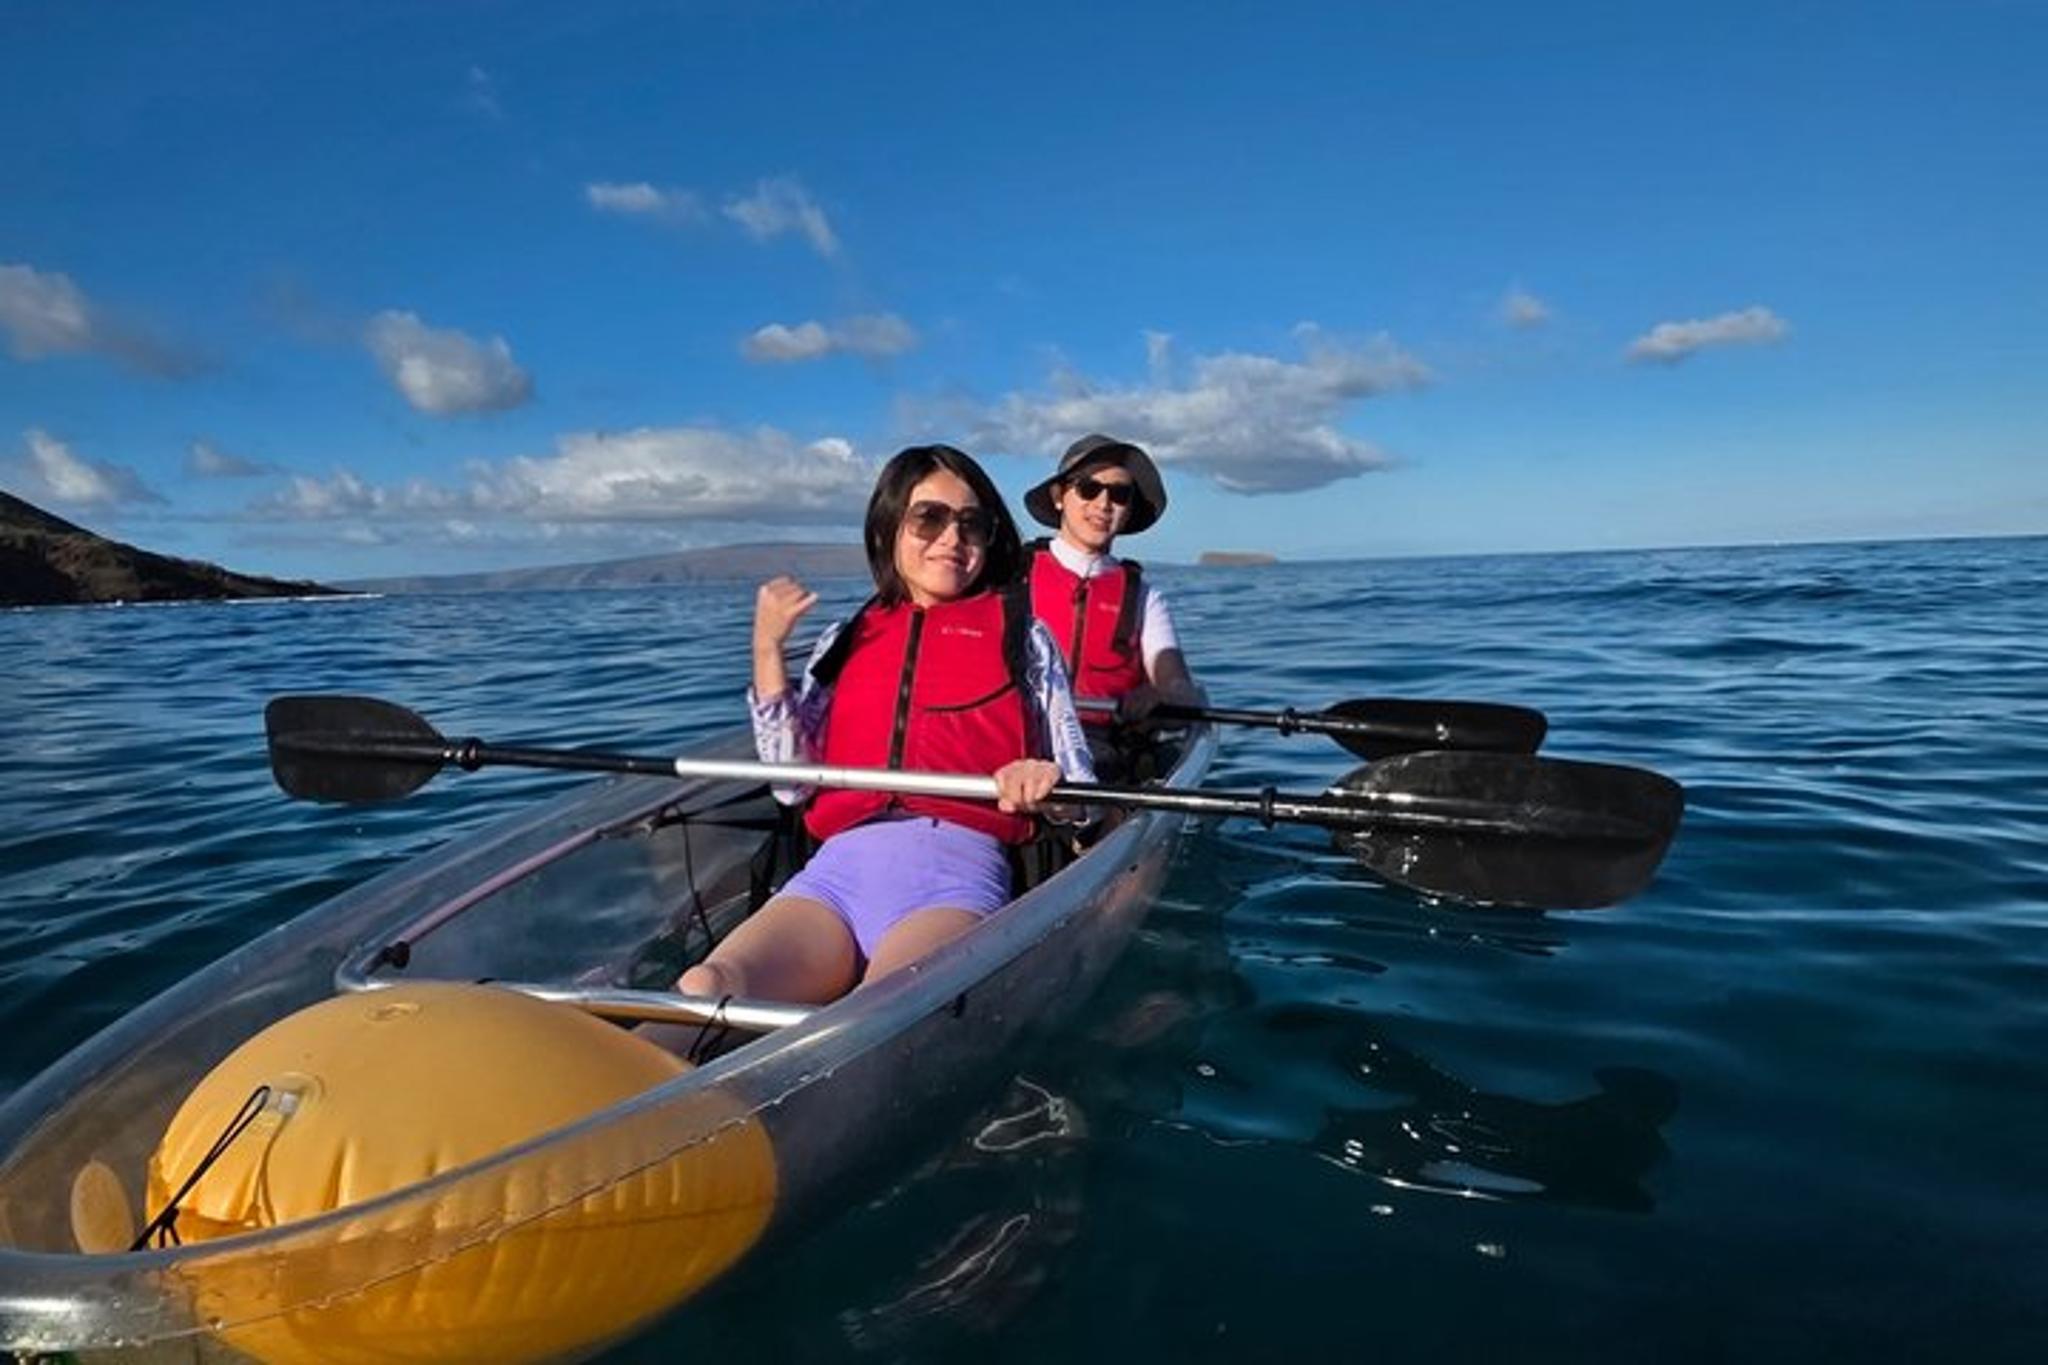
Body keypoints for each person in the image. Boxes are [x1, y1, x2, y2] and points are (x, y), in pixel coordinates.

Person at [678, 444, 1095, 1006]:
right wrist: (767, 651)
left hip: (956, 879)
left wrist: (1047, 786)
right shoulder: (844, 639)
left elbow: (1083, 795)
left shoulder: (1026, 638)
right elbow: (791, 784)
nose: (952, 538)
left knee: (878, 1006)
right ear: (889, 527)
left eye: (972, 523)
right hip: (834, 878)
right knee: (706, 985)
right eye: (930, 518)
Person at [1020, 433, 1202, 736]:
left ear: (1128, 510)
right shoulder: (1012, 574)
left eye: (1119, 495)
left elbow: (1179, 688)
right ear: (1058, 497)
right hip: (1018, 742)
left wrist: (1161, 698)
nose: (1103, 504)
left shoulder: (1145, 598)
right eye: (1088, 489)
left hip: (1104, 750)